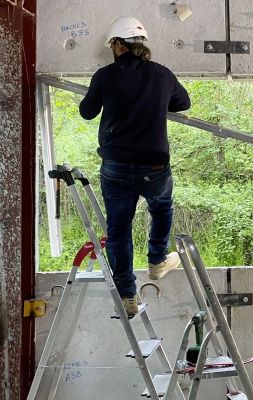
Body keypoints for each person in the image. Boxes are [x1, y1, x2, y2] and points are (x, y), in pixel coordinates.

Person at [79, 16, 191, 317]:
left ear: (118, 45)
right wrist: (154, 103)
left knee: (118, 231)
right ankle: (156, 260)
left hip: (115, 167)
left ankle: (128, 295)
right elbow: (184, 103)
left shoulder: (105, 76)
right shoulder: (162, 75)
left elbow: (87, 112)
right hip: (153, 167)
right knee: (162, 207)